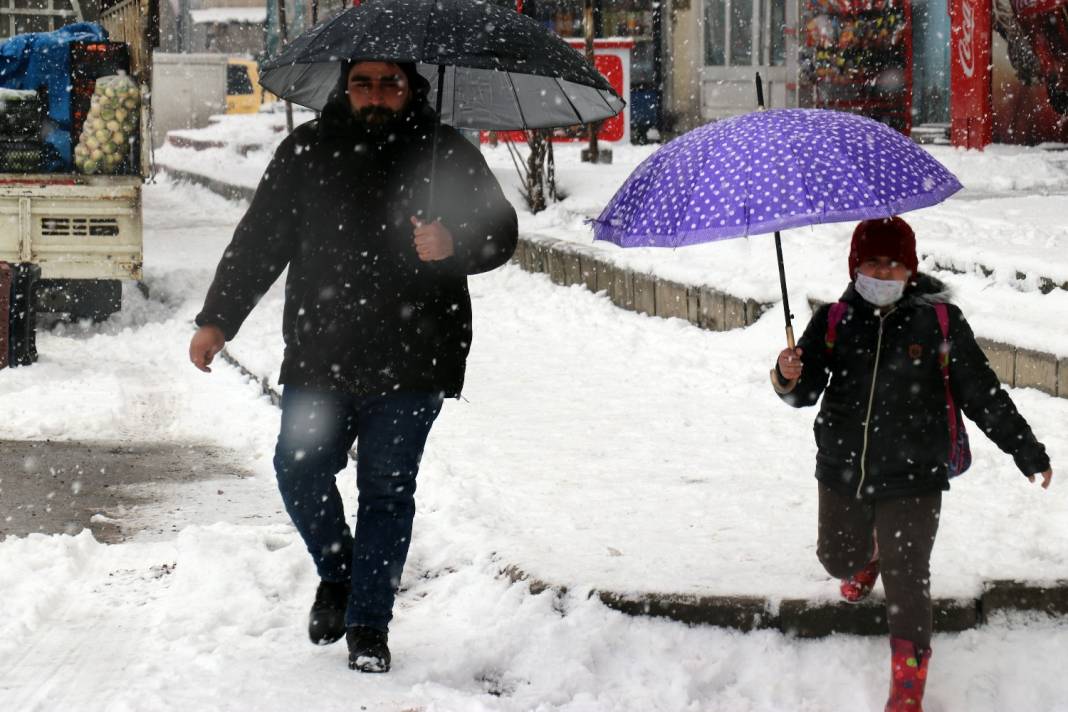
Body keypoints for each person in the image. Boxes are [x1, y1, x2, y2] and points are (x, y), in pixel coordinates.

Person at [188, 60, 518, 673]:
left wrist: (456, 243)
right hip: (322, 351)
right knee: (298, 467)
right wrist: (218, 319)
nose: (375, 95)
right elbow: (261, 238)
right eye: (363, 82)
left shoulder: (445, 153)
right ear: (345, 87)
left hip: (417, 354)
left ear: (412, 87)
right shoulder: (307, 151)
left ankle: (369, 625)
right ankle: (338, 574)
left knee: (387, 492)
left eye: (389, 83)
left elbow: (503, 232)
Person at [771, 217, 1053, 711]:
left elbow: (982, 394)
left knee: (910, 576)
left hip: (915, 471)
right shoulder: (836, 319)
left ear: (911, 269)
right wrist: (788, 373)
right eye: (874, 261)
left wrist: (1025, 450)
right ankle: (869, 554)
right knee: (837, 558)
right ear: (855, 265)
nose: (884, 271)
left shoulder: (940, 322)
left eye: (894, 263)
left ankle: (907, 690)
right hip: (844, 465)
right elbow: (806, 393)